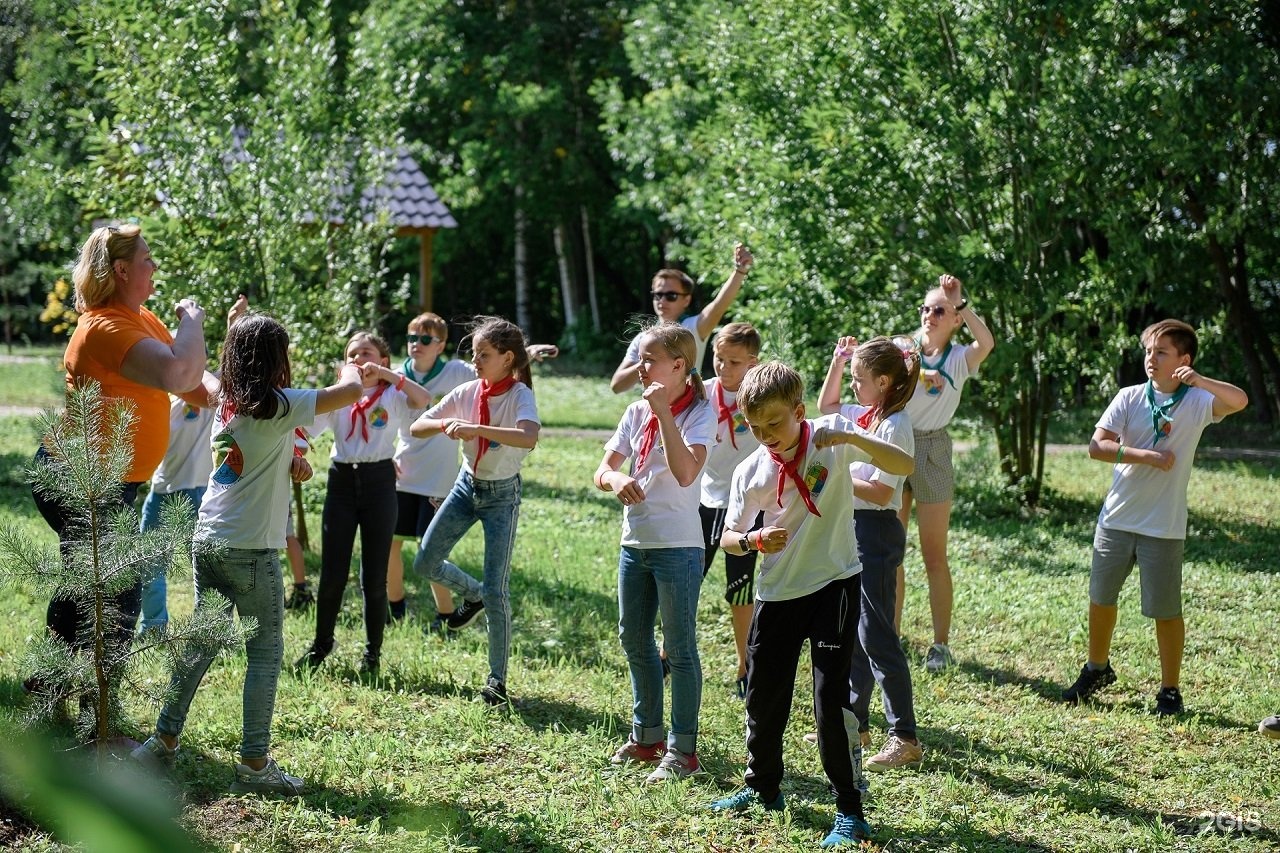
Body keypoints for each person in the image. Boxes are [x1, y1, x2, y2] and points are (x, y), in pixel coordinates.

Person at [131, 313, 363, 795]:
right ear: (279, 360)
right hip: (251, 550)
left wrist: (291, 463)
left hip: (208, 540)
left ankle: (162, 739)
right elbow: (350, 393)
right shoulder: (281, 405)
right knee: (264, 653)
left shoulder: (225, 400)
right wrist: (353, 368)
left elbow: (215, 391)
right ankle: (255, 762)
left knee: (200, 645)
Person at [708, 362, 914, 847]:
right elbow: (729, 539)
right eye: (755, 428)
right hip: (777, 593)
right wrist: (755, 540)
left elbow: (903, 467)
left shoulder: (831, 437)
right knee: (764, 695)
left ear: (800, 411)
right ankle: (762, 787)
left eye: (774, 424)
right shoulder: (751, 469)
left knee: (830, 701)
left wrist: (852, 441)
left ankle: (849, 810)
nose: (765, 437)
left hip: (834, 585)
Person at [30, 224, 215, 676]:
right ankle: (97, 712)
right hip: (80, 480)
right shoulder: (105, 327)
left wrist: (233, 394)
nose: (154, 266)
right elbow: (177, 374)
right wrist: (192, 320)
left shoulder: (141, 318)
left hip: (113, 485)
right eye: (146, 259)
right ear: (120, 269)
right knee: (118, 588)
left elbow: (192, 384)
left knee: (89, 585)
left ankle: (51, 683)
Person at [1061, 319, 1247, 715]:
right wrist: (1148, 457)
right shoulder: (1129, 396)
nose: (1151, 358)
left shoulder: (1197, 402)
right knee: (1101, 599)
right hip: (1115, 519)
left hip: (1163, 526)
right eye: (1148, 351)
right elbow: (1097, 447)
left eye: (1161, 352)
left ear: (1184, 359)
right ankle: (1097, 668)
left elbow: (1239, 400)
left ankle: (1170, 690)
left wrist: (1200, 380)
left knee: (1165, 611)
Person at [594, 322, 715, 783]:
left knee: (680, 649)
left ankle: (684, 751)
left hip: (678, 546)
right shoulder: (633, 411)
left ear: (679, 365)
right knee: (633, 639)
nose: (639, 368)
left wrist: (664, 414)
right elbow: (603, 469)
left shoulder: (700, 413)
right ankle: (648, 737)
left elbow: (686, 474)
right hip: (635, 543)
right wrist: (615, 480)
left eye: (648, 360)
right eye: (639, 358)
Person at [386, 312, 558, 628]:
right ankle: (395, 609)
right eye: (412, 338)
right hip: (405, 473)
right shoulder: (400, 375)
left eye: (426, 339)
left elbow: (497, 368)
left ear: (441, 345)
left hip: (443, 479)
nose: (417, 345)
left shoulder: (456, 373)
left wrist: (526, 354)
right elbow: (395, 422)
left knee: (435, 550)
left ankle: (446, 613)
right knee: (400, 549)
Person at [410, 317, 542, 706]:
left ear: (507, 358)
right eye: (473, 354)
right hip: (466, 488)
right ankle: (474, 594)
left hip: (502, 496)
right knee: (425, 562)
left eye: (483, 355)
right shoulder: (468, 391)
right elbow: (419, 426)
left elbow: (529, 437)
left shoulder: (519, 396)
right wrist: (446, 423)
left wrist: (477, 430)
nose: (475, 361)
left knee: (498, 589)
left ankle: (496, 681)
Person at [297, 332, 432, 674]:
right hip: (341, 483)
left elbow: (423, 399)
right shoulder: (338, 399)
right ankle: (321, 643)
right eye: (351, 355)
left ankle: (372, 653)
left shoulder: (393, 396)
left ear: (383, 361)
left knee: (374, 576)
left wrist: (389, 376)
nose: (358, 359)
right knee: (332, 574)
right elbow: (304, 431)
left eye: (366, 353)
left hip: (379, 484)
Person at [818, 335, 923, 772]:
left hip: (877, 531)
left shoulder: (895, 425)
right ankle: (856, 722)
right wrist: (839, 363)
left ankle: (905, 736)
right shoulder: (870, 415)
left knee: (878, 634)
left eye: (860, 379)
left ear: (883, 381)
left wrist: (838, 478)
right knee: (859, 630)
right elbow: (827, 407)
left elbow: (883, 491)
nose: (854, 386)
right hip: (857, 528)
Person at [895, 274, 994, 673]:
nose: (929, 315)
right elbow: (875, 368)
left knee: (935, 556)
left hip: (933, 449)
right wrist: (919, 375)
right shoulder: (904, 347)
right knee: (891, 555)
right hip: (895, 442)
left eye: (939, 310)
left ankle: (940, 645)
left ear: (955, 320)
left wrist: (962, 304)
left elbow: (986, 344)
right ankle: (891, 635)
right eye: (926, 308)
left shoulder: (958, 358)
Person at [137, 295, 252, 632]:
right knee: (158, 562)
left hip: (191, 491)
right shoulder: (166, 394)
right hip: (171, 488)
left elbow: (228, 374)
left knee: (196, 564)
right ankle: (162, 624)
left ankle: (205, 626)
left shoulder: (202, 390)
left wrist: (234, 326)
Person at [697, 322, 762, 699]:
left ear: (752, 363)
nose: (723, 368)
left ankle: (746, 665)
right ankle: (668, 654)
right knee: (688, 578)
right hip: (705, 502)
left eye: (734, 362)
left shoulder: (761, 396)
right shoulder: (702, 392)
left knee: (740, 590)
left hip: (748, 508)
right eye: (719, 359)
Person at [609, 244, 754, 394]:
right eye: (658, 295)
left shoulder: (691, 328)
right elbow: (616, 386)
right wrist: (648, 358)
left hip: (689, 413)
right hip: (651, 411)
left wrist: (740, 271)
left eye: (671, 296)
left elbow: (719, 306)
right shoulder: (643, 339)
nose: (662, 301)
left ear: (686, 300)